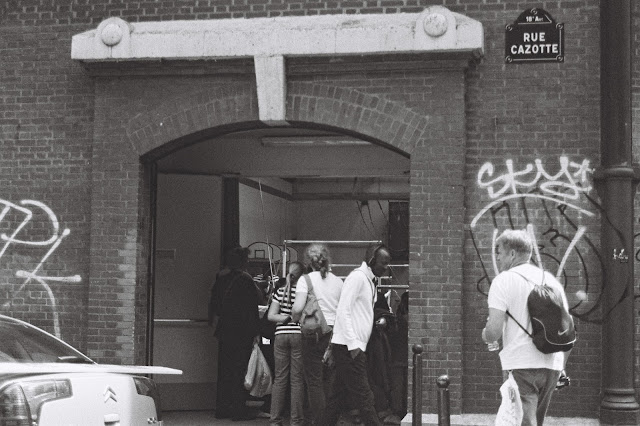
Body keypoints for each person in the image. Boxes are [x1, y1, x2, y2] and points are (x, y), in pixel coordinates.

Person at [482, 229, 570, 426]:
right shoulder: (551, 281)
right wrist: (561, 366)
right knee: (535, 422)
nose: (497, 257)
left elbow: (493, 332)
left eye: (499, 252)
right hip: (552, 365)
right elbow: (567, 330)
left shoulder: (503, 281)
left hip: (522, 365)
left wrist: (486, 335)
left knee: (523, 422)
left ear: (512, 253)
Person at [322, 244, 392, 426]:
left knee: (336, 398)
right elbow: (343, 310)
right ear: (372, 260)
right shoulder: (357, 278)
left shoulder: (368, 280)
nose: (386, 267)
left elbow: (357, 313)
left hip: (349, 346)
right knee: (364, 396)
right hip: (350, 347)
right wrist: (354, 345)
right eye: (383, 263)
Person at [291, 244, 344, 425]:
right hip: (334, 334)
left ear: (308, 262)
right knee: (330, 381)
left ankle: (321, 422)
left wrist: (295, 317)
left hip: (314, 334)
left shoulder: (305, 280)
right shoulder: (338, 282)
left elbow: (297, 308)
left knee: (314, 381)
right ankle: (330, 420)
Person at [209, 246, 260, 421]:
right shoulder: (246, 280)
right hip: (242, 331)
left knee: (225, 369)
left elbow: (215, 304)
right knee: (239, 369)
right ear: (243, 262)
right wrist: (256, 331)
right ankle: (238, 409)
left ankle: (222, 408)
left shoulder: (221, 279)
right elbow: (252, 308)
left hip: (224, 330)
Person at [267, 261, 305, 426]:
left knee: (280, 378)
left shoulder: (279, 291)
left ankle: (275, 420)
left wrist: (284, 319)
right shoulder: (303, 293)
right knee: (297, 380)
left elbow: (271, 316)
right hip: (298, 335)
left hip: (280, 335)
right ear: (302, 276)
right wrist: (293, 319)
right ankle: (296, 420)